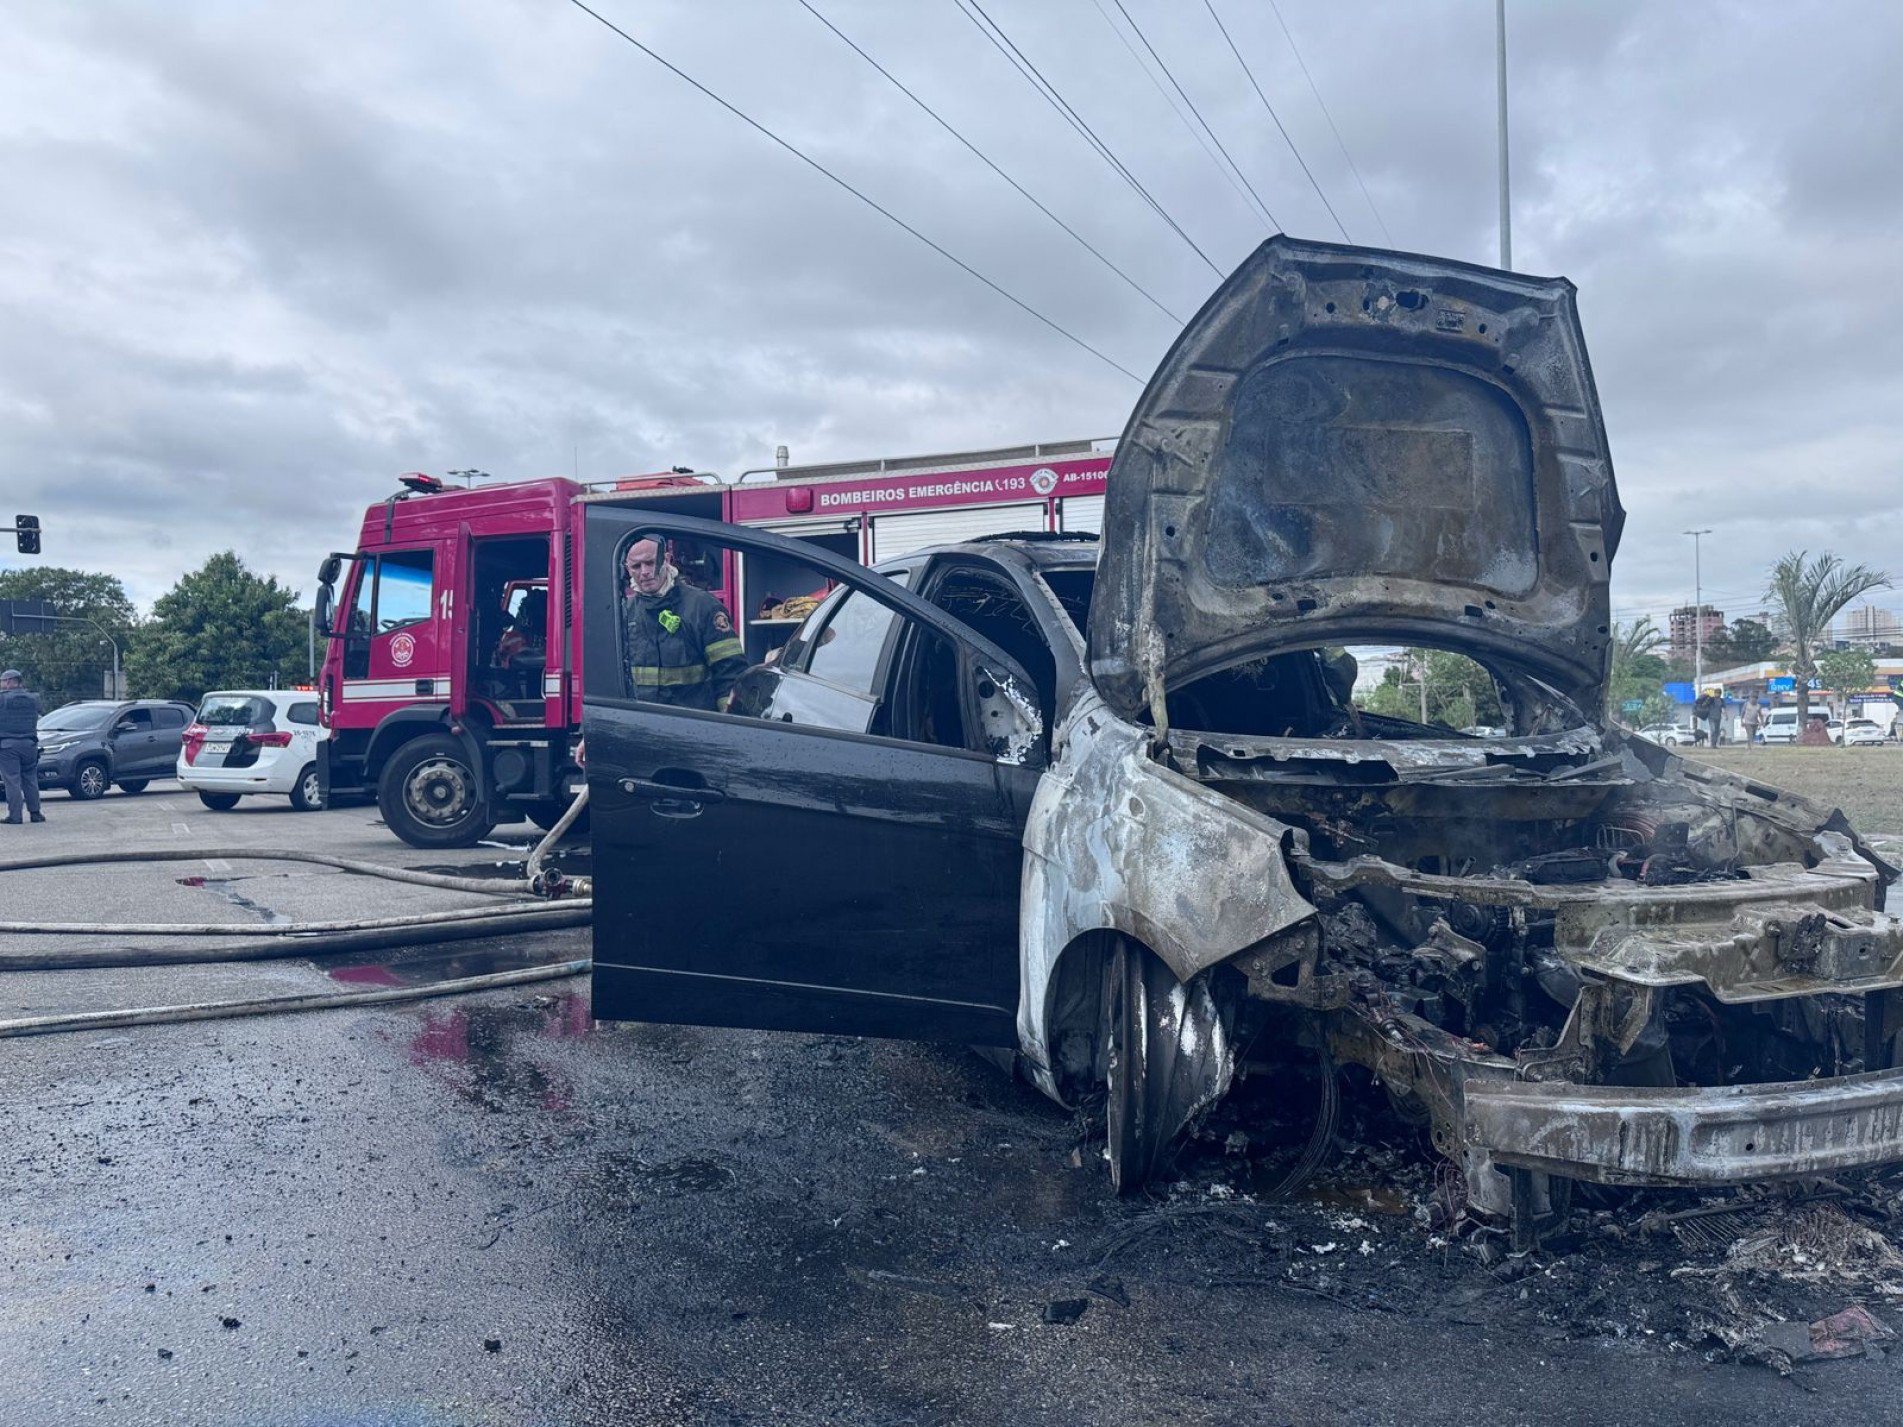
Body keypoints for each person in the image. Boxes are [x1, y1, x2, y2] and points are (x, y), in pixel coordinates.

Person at [621, 537, 747, 711]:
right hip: (643, 728)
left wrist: (728, 721)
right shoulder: (624, 614)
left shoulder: (703, 607)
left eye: (650, 563)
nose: (644, 572)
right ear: (627, 569)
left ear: (666, 560)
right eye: (636, 566)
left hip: (693, 727)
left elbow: (731, 673)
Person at [0, 669, 46, 825]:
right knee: (30, 779)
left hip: (8, 746)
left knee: (12, 781)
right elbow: (41, 713)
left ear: (9, 681)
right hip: (30, 744)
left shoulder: (2, 699)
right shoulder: (34, 698)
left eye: (2, 681)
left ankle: (15, 816)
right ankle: (36, 813)